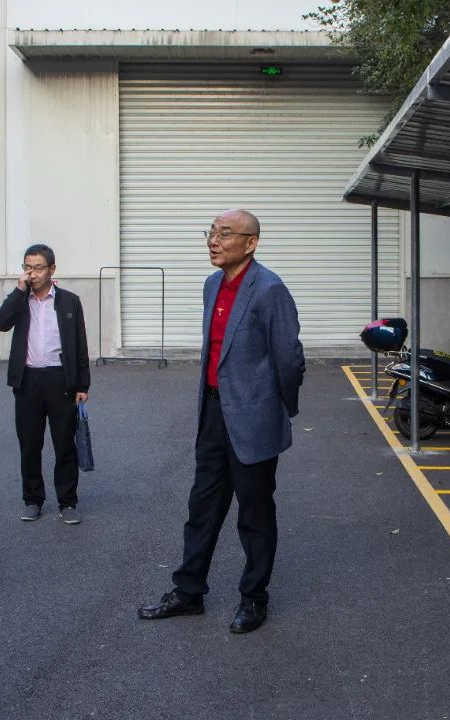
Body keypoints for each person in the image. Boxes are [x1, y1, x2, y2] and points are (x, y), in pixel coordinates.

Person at [139, 209, 304, 634]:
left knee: (254, 512)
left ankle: (254, 598)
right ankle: (189, 592)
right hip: (213, 413)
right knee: (203, 506)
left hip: (254, 416)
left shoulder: (269, 289)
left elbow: (289, 358)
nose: (214, 240)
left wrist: (278, 408)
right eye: (211, 232)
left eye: (225, 233)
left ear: (251, 243)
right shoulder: (212, 284)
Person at [0, 244, 90, 524]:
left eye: (38, 268)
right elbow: (0, 323)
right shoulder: (20, 299)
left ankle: (67, 502)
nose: (32, 273)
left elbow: (80, 344)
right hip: (28, 380)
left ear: (52, 270)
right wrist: (18, 291)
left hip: (60, 379)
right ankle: (32, 499)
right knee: (30, 444)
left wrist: (83, 385)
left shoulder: (69, 301)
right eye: (27, 267)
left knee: (64, 444)